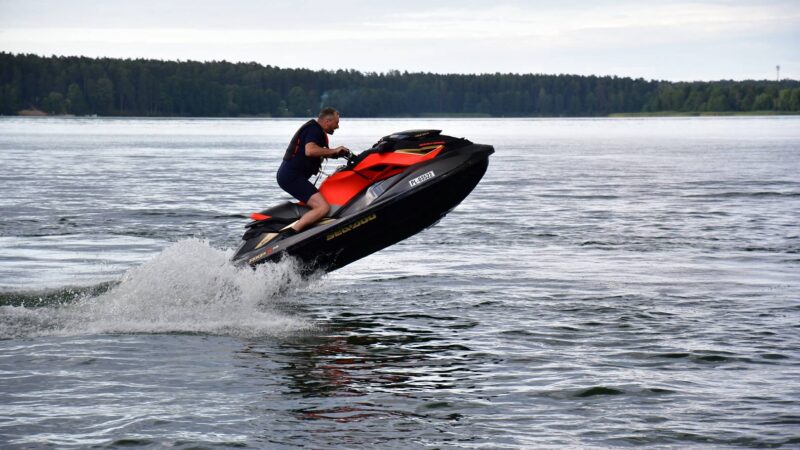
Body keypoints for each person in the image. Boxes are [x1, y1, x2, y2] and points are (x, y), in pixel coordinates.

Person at [276, 107, 350, 236]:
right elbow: (310, 151)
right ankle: (289, 235)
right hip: (291, 177)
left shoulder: (315, 130)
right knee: (323, 207)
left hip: (291, 176)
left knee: (322, 202)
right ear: (327, 121)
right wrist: (334, 150)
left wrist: (336, 154)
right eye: (336, 123)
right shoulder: (314, 129)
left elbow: (317, 152)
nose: (337, 127)